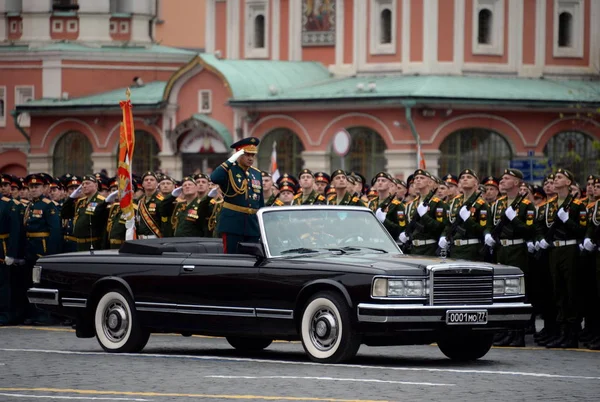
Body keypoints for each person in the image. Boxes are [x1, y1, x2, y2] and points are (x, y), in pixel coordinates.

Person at [536, 168, 586, 349]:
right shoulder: (550, 205)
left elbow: (581, 230)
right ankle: (561, 332)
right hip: (553, 250)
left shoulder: (577, 205)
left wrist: (567, 220)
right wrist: (541, 238)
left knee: (570, 291)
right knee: (558, 291)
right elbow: (540, 226)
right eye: (555, 177)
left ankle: (571, 334)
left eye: (559, 177)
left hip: (570, 249)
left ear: (568, 183)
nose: (555, 180)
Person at [487, 168, 536, 347]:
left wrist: (514, 219)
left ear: (516, 183)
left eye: (507, 178)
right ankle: (504, 331)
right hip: (502, 249)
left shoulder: (526, 206)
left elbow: (529, 230)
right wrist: (489, 236)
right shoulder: (498, 204)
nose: (502, 181)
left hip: (517, 249)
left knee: (517, 293)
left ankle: (518, 334)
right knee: (501, 292)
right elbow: (491, 226)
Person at [210, 137, 264, 254]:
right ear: (239, 154)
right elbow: (214, 178)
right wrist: (231, 160)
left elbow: (260, 202)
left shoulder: (256, 173)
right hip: (232, 224)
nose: (250, 158)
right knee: (232, 259)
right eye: (247, 154)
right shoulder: (229, 170)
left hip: (252, 225)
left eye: (252, 155)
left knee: (252, 260)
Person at [22, 173, 61, 324]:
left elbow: (55, 231)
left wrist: (50, 254)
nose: (33, 189)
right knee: (32, 283)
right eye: (31, 186)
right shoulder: (31, 205)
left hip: (42, 250)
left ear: (45, 188)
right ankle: (34, 314)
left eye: (37, 186)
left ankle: (45, 316)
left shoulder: (48, 205)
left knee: (43, 283)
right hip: (31, 249)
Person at [439, 169, 490, 261]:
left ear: (476, 183)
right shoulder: (455, 201)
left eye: (469, 177)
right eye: (462, 178)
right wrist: (443, 235)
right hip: (455, 249)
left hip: (472, 249)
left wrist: (467, 220)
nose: (465, 179)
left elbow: (482, 230)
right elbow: (449, 224)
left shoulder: (481, 204)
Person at [398, 169, 447, 256]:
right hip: (414, 249)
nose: (418, 180)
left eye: (422, 178)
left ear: (429, 182)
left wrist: (424, 216)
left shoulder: (437, 203)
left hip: (430, 248)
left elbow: (440, 227)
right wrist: (405, 233)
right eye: (416, 178)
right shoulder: (411, 205)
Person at [61, 175, 108, 252]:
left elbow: (104, 225)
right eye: (83, 184)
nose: (84, 186)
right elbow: (65, 214)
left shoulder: (101, 201)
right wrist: (71, 198)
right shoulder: (81, 202)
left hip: (93, 243)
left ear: (96, 185)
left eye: (87, 183)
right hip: (79, 243)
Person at [0, 174, 24, 325]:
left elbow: (15, 231)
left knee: (3, 283)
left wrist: (11, 254)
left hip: (2, 247)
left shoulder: (8, 204)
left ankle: (4, 313)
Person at [370, 172, 403, 240]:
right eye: (378, 180)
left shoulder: (396, 205)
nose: (380, 182)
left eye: (383, 180)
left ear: (390, 185)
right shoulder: (371, 202)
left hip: (388, 241)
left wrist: (384, 220)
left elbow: (400, 228)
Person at [136, 171, 165, 239]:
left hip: (155, 239)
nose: (149, 181)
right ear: (142, 184)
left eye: (152, 180)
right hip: (140, 239)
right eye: (146, 180)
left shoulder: (161, 201)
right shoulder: (140, 201)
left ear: (157, 184)